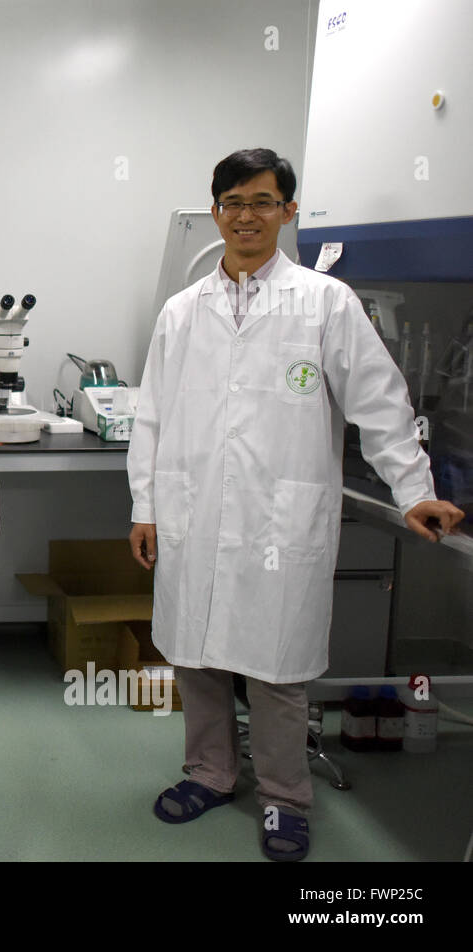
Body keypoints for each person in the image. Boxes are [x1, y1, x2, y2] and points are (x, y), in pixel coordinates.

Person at [126, 149, 465, 861]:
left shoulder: (324, 303)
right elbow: (150, 414)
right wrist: (145, 506)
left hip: (279, 520)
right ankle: (211, 773)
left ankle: (285, 798)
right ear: (215, 211)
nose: (245, 215)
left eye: (261, 201)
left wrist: (416, 491)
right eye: (232, 202)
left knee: (277, 669)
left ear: (288, 211)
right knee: (196, 658)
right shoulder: (182, 312)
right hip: (192, 514)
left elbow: (381, 403)